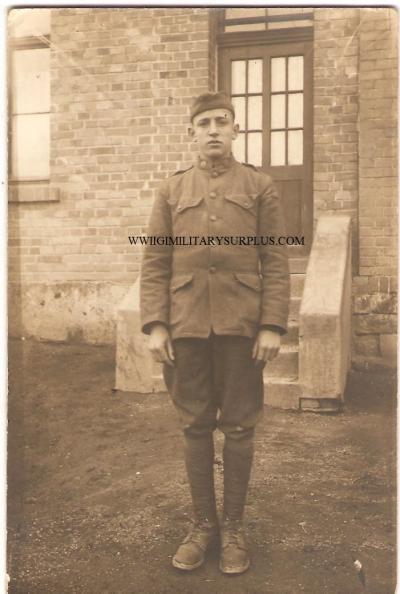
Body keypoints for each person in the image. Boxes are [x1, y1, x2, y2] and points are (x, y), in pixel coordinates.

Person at [140, 92, 290, 575]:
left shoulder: (260, 186)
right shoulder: (171, 191)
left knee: (241, 427)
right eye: (203, 123)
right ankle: (203, 525)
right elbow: (155, 262)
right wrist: (156, 322)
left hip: (241, 325)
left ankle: (234, 528)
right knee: (194, 425)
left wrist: (271, 324)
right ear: (191, 133)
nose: (212, 131)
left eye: (221, 122)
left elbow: (277, 261)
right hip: (185, 325)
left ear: (235, 130)